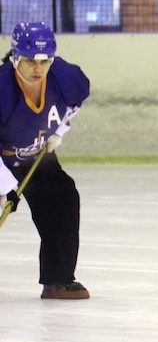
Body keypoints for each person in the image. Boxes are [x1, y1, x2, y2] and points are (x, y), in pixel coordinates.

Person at [0, 21, 90, 300]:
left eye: (44, 61)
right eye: (29, 61)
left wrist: (59, 131)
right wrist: (5, 188)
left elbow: (74, 103)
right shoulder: (2, 92)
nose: (38, 69)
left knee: (63, 196)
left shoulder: (64, 76)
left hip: (35, 157)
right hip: (3, 161)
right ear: (15, 57)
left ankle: (58, 280)